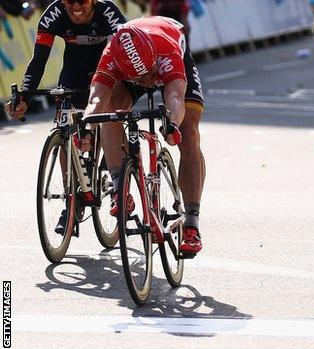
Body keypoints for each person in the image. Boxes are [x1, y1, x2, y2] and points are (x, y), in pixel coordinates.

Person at [84, 16, 205, 256]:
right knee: (112, 110)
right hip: (129, 69)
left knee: (189, 132)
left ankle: (192, 223)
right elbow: (96, 100)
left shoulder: (166, 51)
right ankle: (119, 187)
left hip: (168, 56)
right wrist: (86, 127)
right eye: (140, 79)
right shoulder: (111, 56)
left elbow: (175, 98)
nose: (146, 83)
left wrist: (173, 125)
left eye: (147, 76)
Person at [5, 0, 125, 233]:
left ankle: (113, 177)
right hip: (74, 72)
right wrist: (25, 96)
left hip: (107, 68)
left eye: (82, 1)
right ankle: (72, 199)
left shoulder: (108, 12)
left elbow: (121, 55)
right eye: (69, 1)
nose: (75, 6)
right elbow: (38, 60)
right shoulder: (54, 14)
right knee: (64, 122)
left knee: (107, 112)